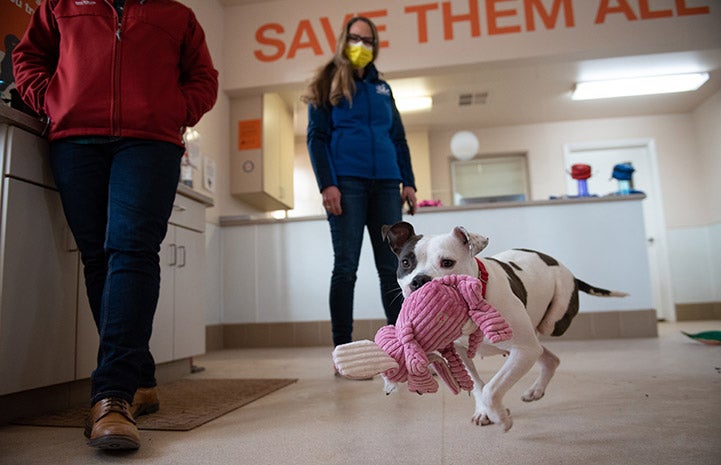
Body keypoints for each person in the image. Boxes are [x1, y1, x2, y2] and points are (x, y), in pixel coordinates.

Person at [13, 0, 218, 450]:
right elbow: (28, 57)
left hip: (150, 143)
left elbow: (204, 78)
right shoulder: (59, 5)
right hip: (75, 139)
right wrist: (50, 100)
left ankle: (112, 396)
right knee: (99, 259)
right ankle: (140, 379)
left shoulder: (177, 15)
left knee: (130, 250)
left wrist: (174, 110)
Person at [303, 16, 417, 351]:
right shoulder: (327, 81)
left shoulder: (383, 88)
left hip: (386, 183)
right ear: (343, 40)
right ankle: (343, 347)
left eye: (368, 41)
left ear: (375, 46)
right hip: (347, 184)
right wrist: (328, 184)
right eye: (355, 39)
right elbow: (317, 138)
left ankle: (401, 344)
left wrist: (407, 181)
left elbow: (398, 138)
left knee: (392, 267)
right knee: (346, 267)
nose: (361, 46)